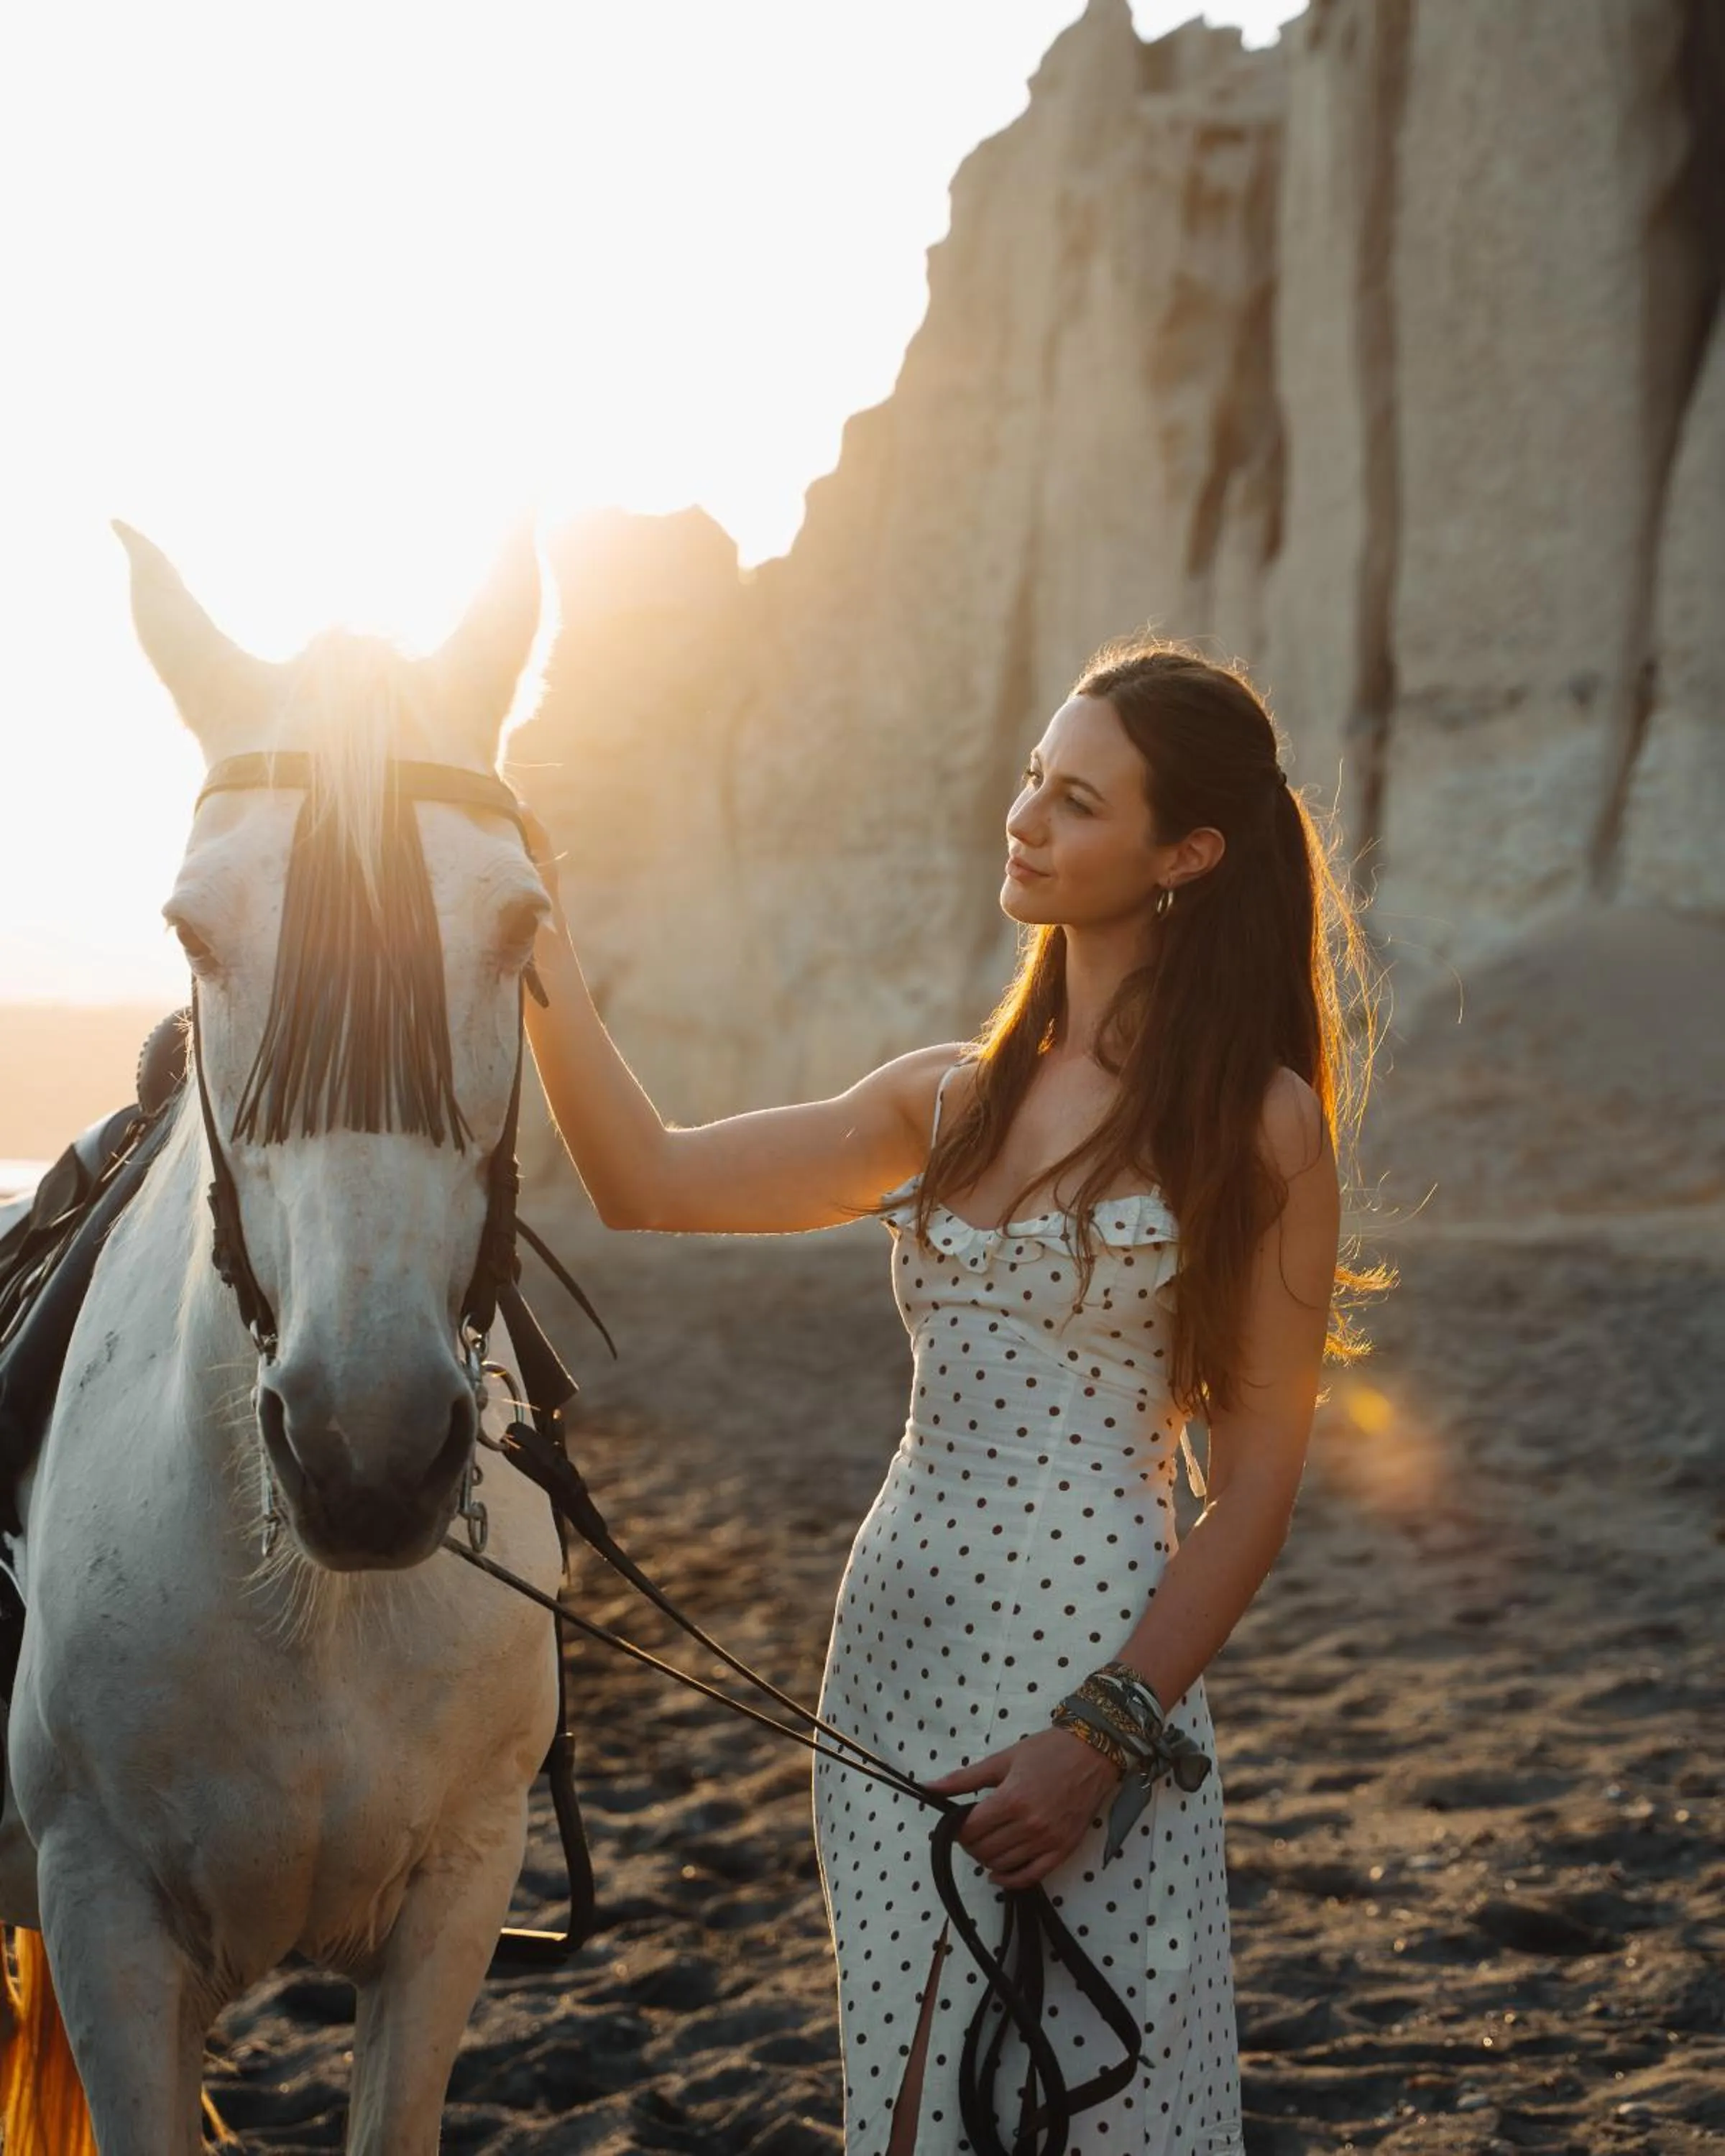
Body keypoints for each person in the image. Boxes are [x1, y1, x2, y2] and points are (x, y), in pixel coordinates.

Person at [517, 636, 1386, 2156]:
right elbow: (643, 1181)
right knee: (915, 2092)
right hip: (888, 1662)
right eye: (1032, 781)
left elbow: (1251, 1489)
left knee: (1085, 2105)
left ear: (1185, 854)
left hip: (1091, 1661)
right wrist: (541, 951)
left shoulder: (1260, 1127)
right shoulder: (945, 1098)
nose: (1026, 818)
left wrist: (1103, 1736)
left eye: (1078, 801)